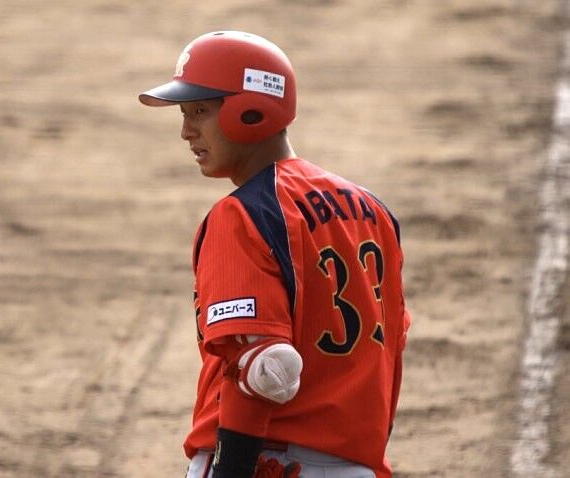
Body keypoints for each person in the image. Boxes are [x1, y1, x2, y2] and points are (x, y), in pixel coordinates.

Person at [139, 30, 411, 478]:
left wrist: (230, 470)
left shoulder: (244, 214)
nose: (187, 132)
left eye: (200, 112)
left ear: (251, 110)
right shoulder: (373, 211)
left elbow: (264, 368)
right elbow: (390, 352)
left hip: (266, 460)